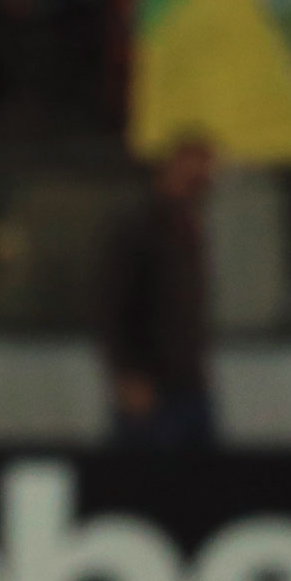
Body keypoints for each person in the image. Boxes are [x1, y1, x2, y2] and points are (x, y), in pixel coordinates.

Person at [100, 132, 217, 448]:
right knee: (147, 482)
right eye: (197, 162)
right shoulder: (140, 226)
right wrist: (128, 374)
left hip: (189, 382)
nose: (205, 173)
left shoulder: (189, 224)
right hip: (151, 387)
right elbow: (112, 306)